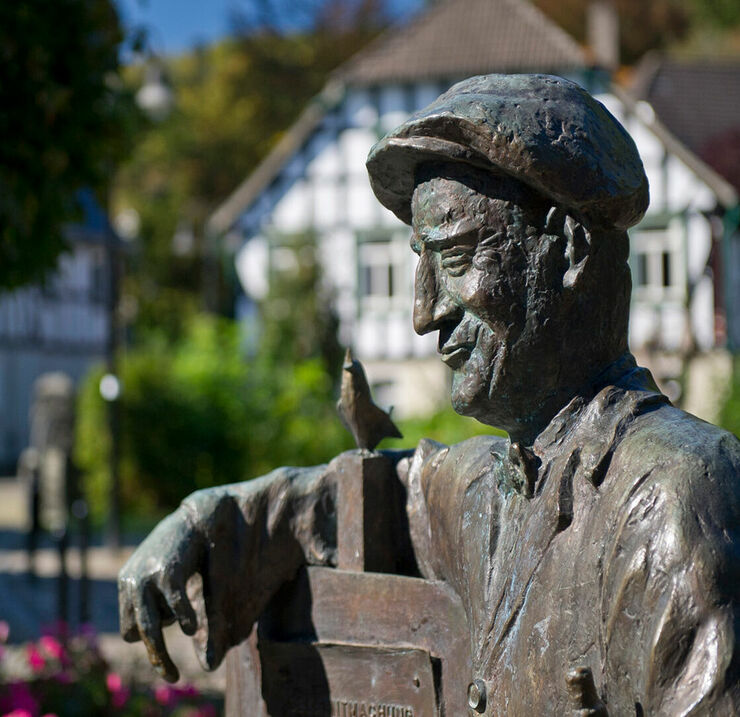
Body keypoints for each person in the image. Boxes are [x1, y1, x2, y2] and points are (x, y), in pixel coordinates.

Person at [118, 75, 740, 714]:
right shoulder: (494, 487)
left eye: (454, 258)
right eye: (419, 266)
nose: (424, 313)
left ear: (569, 251)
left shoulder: (672, 494)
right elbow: (372, 493)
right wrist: (204, 521)